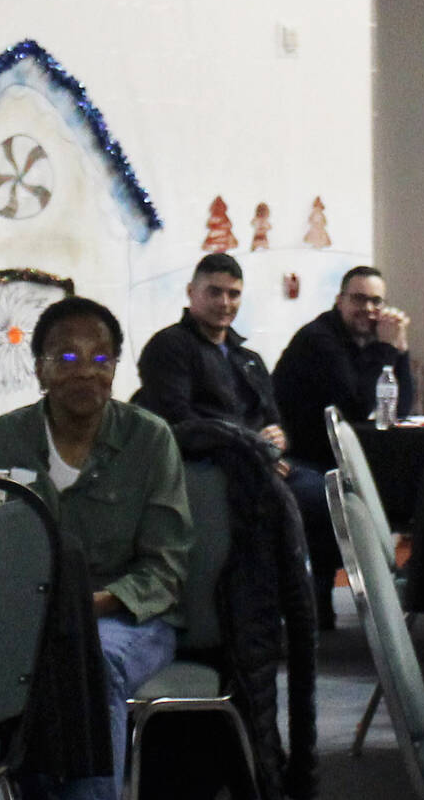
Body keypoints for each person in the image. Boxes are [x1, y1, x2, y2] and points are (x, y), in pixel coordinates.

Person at [0, 296, 194, 800]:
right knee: (6, 677)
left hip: (129, 620)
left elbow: (165, 567)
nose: (85, 373)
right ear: (39, 370)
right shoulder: (4, 441)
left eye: (100, 358)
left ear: (117, 368)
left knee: (88, 668)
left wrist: (89, 606)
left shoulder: (149, 439)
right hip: (34, 624)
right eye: (66, 358)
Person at [134, 253, 332, 626]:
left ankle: (316, 604)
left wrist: (277, 437)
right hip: (210, 471)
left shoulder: (248, 357)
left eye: (233, 294)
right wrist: (252, 447)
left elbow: (274, 418)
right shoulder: (170, 347)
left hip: (262, 465)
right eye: (214, 292)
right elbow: (179, 422)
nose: (224, 303)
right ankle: (286, 611)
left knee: (336, 494)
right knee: (316, 498)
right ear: (192, 292)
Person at [270, 266, 412, 619]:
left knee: (414, 489)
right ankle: (330, 601)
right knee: (340, 498)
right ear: (340, 301)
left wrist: (400, 352)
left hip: (343, 457)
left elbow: (399, 405)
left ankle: (408, 594)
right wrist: (385, 348)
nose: (368, 308)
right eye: (358, 299)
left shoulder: (366, 344)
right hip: (301, 457)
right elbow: (357, 405)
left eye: (376, 301)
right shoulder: (319, 340)